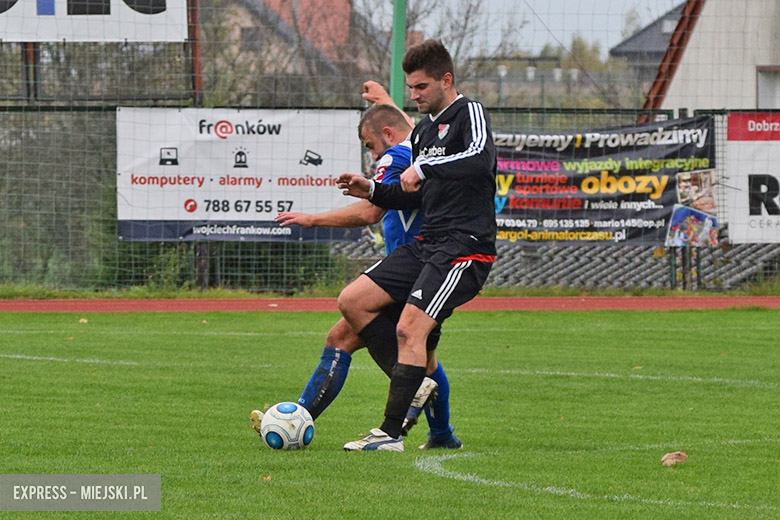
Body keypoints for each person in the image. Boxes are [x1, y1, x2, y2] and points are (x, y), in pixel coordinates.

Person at [251, 98, 461, 448]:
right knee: (406, 353)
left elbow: (370, 212)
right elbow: (403, 123)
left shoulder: (396, 156)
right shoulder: (425, 150)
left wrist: (313, 219)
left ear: (388, 134)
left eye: (371, 146)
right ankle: (441, 434)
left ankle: (297, 420)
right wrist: (383, 98)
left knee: (350, 329)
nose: (374, 156)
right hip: (433, 269)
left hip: (407, 269)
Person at [338, 39, 497, 452]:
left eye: (421, 87)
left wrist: (423, 166)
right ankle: (417, 386)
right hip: (429, 244)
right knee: (353, 301)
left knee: (410, 328)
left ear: (446, 80)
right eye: (410, 88)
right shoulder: (424, 130)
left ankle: (390, 433)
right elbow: (414, 195)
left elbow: (481, 158)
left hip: (466, 247)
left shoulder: (469, 114)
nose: (414, 95)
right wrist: (371, 188)